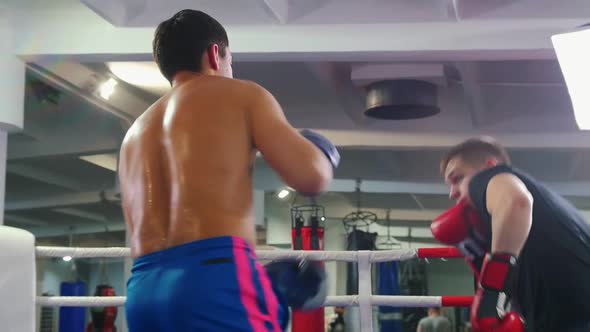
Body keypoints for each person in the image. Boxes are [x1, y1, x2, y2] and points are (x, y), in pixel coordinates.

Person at [117, 9, 339, 332]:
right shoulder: (242, 95)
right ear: (215, 54)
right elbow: (311, 177)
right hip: (214, 281)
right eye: (231, 62)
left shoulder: (134, 134)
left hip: (143, 290)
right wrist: (321, 153)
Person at [431, 137, 590, 332]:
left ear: (490, 166)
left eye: (457, 179)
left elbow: (517, 202)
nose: (452, 193)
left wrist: (490, 294)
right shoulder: (544, 213)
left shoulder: (488, 178)